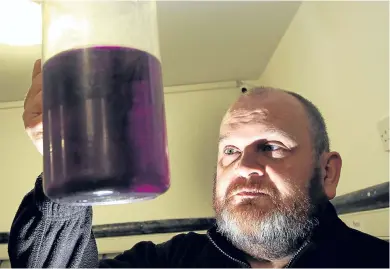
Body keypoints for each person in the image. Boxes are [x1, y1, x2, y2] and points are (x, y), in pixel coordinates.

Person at [8, 59, 389, 268]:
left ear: (327, 172)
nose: (243, 167)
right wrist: (71, 164)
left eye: (270, 146)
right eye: (230, 151)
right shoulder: (172, 262)